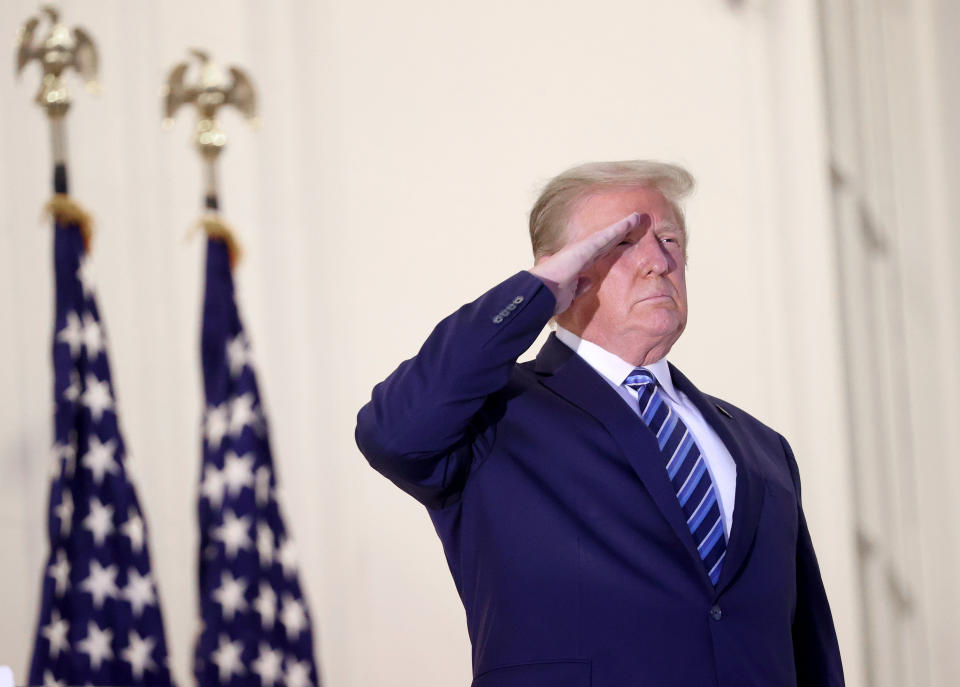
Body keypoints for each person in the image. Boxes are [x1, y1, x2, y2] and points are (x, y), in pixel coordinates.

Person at [355, 160, 844, 686]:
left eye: (670, 240)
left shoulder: (762, 446)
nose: (658, 261)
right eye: (623, 242)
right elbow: (391, 433)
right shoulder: (491, 415)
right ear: (562, 267)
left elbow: (807, 645)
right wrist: (532, 295)